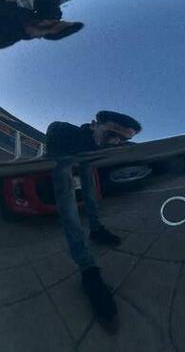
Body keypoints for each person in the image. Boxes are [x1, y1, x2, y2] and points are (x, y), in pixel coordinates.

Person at [45, 111, 142, 329]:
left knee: (91, 186)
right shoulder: (64, 132)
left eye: (122, 139)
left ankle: (96, 229)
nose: (115, 143)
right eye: (111, 135)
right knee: (66, 197)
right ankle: (88, 268)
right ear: (93, 125)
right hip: (63, 153)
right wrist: (59, 158)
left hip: (85, 158)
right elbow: (53, 128)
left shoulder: (104, 144)